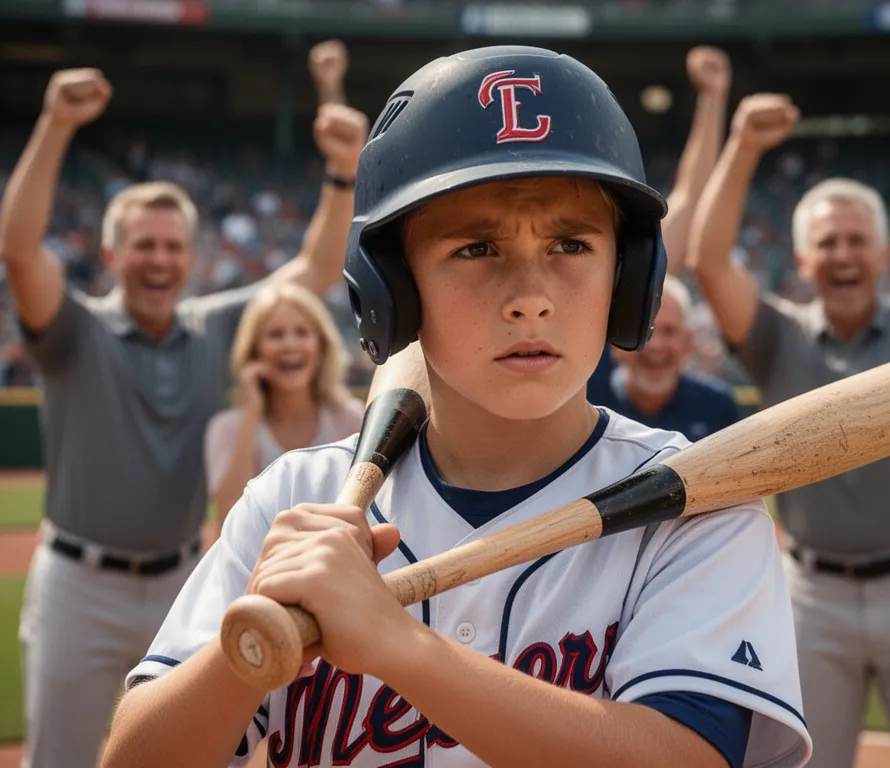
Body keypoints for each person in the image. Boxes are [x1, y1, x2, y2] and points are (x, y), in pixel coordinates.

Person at [105, 46, 811, 768]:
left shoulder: (698, 505)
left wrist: (399, 646)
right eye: (477, 248)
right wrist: (248, 647)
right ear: (391, 290)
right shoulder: (300, 503)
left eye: (571, 243)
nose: (531, 295)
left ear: (629, 281)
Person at [0, 60, 368, 768]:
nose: (160, 260)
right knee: (63, 759)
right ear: (112, 253)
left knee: (192, 755)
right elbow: (19, 250)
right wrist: (55, 126)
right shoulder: (78, 329)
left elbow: (315, 271)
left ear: (194, 257)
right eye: (144, 245)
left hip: (184, 579)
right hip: (80, 584)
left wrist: (342, 175)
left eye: (173, 246)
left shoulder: (214, 326)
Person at [686, 82, 890, 767]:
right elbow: (708, 261)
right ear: (803, 262)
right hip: (811, 595)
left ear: (884, 254)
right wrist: (744, 147)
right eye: (827, 243)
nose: (843, 254)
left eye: (857, 241)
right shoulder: (778, 337)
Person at [587, 44, 731, 406]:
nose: (658, 346)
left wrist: (713, 100)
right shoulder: (584, 366)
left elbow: (692, 194)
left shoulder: (714, 405)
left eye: (667, 331)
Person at [204, 282, 365, 531]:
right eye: (275, 335)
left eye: (302, 333)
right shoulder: (226, 429)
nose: (290, 345)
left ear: (321, 346)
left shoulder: (353, 420)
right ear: (254, 350)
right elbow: (229, 516)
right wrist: (251, 413)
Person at [592, 273, 740, 439]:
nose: (656, 345)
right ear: (616, 343)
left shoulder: (717, 407)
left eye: (669, 331)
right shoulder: (585, 403)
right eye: (644, 331)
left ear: (688, 342)